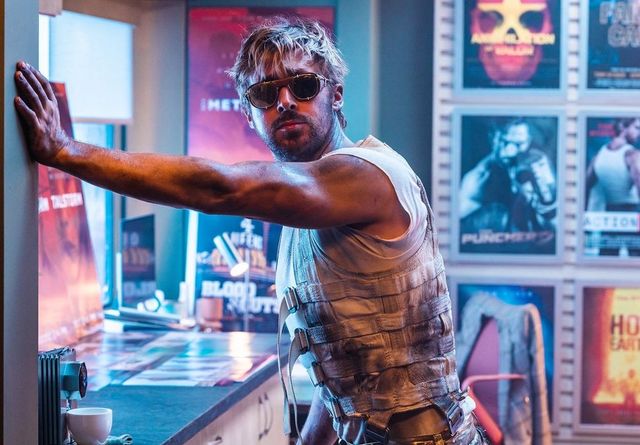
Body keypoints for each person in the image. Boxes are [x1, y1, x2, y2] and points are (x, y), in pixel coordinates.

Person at [15, 18, 484, 445]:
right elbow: (350, 366)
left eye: (303, 85)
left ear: (336, 95)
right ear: (250, 111)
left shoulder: (368, 175)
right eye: (265, 93)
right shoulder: (307, 217)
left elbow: (221, 188)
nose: (285, 101)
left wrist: (65, 151)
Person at [458, 118, 556, 246]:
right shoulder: (478, 180)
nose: (510, 150)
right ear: (493, 138)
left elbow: (555, 229)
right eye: (504, 142)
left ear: (528, 141)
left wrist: (546, 195)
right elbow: (459, 234)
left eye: (519, 144)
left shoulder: (538, 164)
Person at [585, 118, 640, 256]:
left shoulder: (600, 154)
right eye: (637, 128)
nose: (639, 133)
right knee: (636, 257)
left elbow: (585, 187)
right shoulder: (632, 155)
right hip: (632, 214)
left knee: (607, 255)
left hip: (610, 215)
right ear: (623, 127)